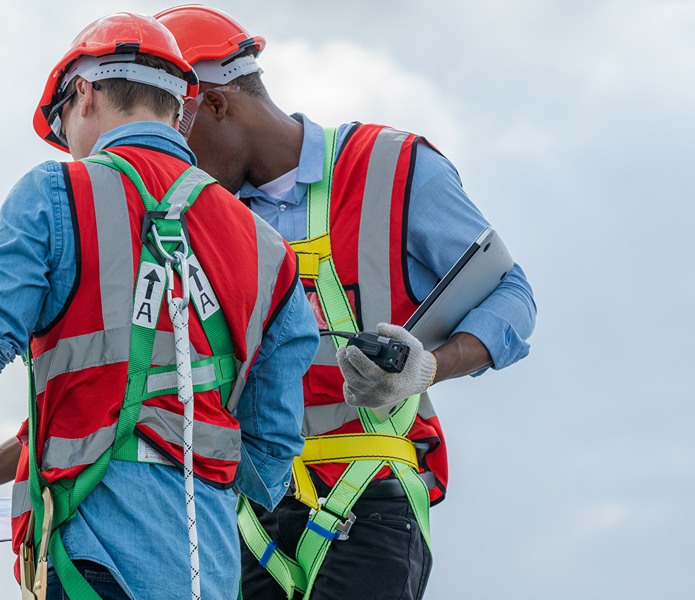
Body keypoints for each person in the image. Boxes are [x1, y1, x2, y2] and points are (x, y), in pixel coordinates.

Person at [0, 12, 319, 600]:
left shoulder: (55, 194)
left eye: (61, 127)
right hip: (209, 568)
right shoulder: (268, 248)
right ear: (179, 108)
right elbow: (270, 451)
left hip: (91, 559)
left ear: (83, 93)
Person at [151, 5, 537, 600]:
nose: (173, 163)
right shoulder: (199, 221)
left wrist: (429, 365)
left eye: (176, 136)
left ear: (217, 104)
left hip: (372, 499)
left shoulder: (392, 168)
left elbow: (511, 294)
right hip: (248, 515)